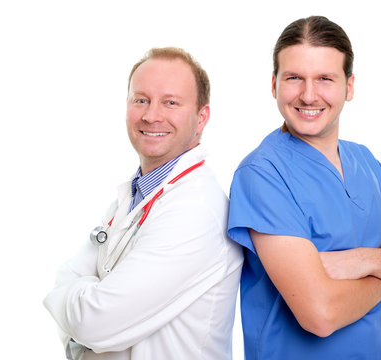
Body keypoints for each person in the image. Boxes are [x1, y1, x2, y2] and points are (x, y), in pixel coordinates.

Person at [227, 16, 381, 359]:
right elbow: (321, 315)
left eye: (324, 79)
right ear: (274, 84)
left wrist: (364, 260)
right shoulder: (262, 174)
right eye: (294, 78)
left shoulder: (367, 164)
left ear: (349, 87)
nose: (308, 94)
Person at [44, 47, 243, 360]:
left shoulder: (196, 210)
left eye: (171, 102)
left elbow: (95, 323)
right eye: (141, 100)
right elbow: (65, 279)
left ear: (201, 117)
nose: (151, 115)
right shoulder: (135, 196)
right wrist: (82, 308)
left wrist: (77, 308)